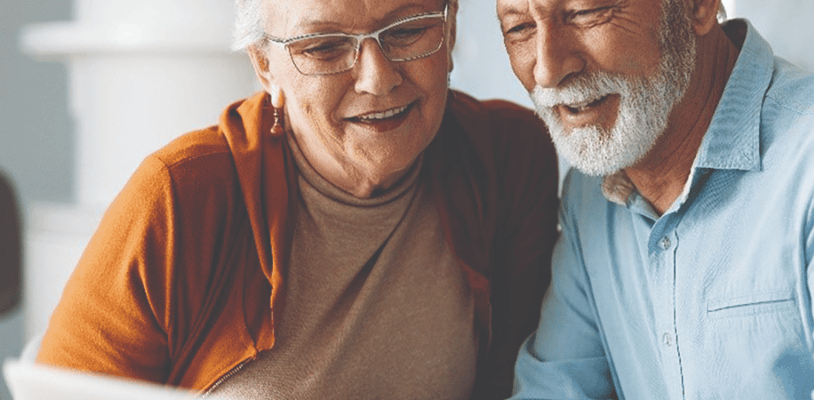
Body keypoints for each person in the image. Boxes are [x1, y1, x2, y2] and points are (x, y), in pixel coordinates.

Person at [36, 0, 559, 398]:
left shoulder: (508, 156)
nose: (378, 78)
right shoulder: (177, 197)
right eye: (324, 47)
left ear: (448, 32)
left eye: (406, 31)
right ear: (265, 68)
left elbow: (520, 384)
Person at [496, 0, 814, 397]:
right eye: (519, 26)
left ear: (696, 4)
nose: (546, 69)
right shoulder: (591, 198)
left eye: (585, 12)